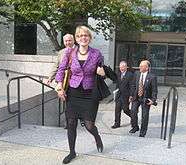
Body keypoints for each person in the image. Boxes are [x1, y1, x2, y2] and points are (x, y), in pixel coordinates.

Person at [55, 25, 105, 164]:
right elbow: (61, 69)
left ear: (89, 38)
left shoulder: (97, 54)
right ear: (76, 38)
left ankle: (97, 136)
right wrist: (59, 85)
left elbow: (102, 70)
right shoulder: (69, 53)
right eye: (80, 35)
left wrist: (103, 73)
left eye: (86, 35)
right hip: (73, 92)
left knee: (89, 125)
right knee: (71, 123)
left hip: (89, 93)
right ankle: (72, 152)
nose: (83, 38)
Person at [47, 34, 75, 129]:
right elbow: (56, 66)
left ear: (73, 40)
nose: (68, 43)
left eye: (69, 40)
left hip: (76, 80)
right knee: (67, 102)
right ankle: (69, 123)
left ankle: (79, 118)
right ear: (64, 42)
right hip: (64, 81)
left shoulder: (79, 50)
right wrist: (50, 77)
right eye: (66, 41)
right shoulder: (61, 52)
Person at [129, 60, 158, 137]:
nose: (140, 67)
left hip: (146, 99)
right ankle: (135, 127)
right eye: (140, 65)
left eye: (142, 66)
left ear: (147, 68)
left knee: (144, 116)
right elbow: (133, 85)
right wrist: (131, 95)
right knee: (133, 112)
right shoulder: (136, 74)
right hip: (136, 97)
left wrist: (153, 100)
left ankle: (143, 132)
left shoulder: (152, 77)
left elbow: (154, 90)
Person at [111, 61, 134, 129]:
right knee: (117, 110)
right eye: (120, 67)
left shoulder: (130, 75)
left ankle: (133, 117)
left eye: (123, 67)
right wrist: (115, 92)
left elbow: (132, 86)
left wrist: (131, 95)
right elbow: (117, 84)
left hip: (126, 96)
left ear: (126, 67)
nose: (121, 68)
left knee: (125, 110)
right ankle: (117, 123)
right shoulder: (118, 74)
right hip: (119, 95)